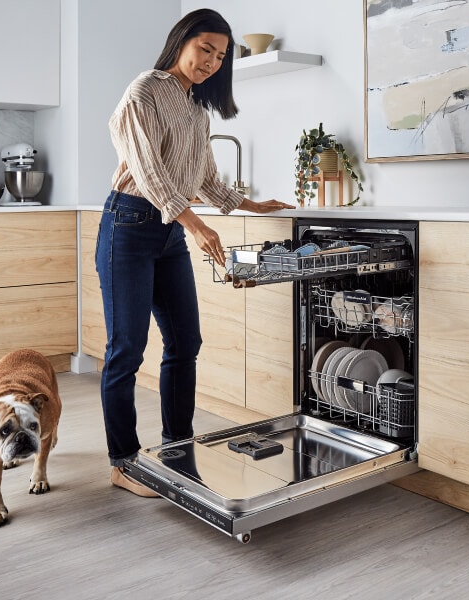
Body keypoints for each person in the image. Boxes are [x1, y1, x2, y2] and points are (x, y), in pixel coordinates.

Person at [96, 8, 294, 497]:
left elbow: (202, 175)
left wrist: (247, 203)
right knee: (127, 351)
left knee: (186, 343)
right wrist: (196, 224)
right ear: (181, 41)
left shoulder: (195, 107)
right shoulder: (145, 90)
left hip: (166, 234)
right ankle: (123, 463)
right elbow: (148, 172)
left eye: (220, 56)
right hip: (128, 224)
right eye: (205, 49)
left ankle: (175, 449)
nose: (210, 61)